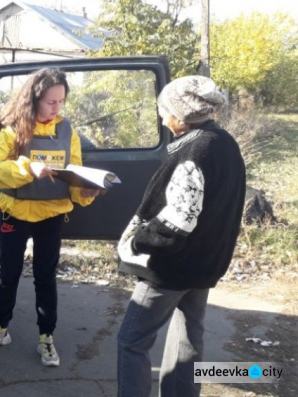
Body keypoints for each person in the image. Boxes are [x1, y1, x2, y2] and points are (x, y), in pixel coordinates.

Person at [116, 76, 246, 397]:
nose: (162, 118)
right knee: (189, 336)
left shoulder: (193, 153)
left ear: (181, 115)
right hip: (205, 263)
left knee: (131, 341)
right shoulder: (224, 142)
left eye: (164, 111)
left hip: (171, 268)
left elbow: (176, 224)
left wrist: (137, 242)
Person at [0, 68, 100, 366]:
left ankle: (47, 338)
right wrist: (25, 168)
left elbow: (76, 173)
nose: (57, 108)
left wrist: (86, 191)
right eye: (50, 102)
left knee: (45, 277)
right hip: (15, 214)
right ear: (34, 100)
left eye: (61, 102)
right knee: (8, 275)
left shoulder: (67, 132)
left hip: (52, 215)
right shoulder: (12, 130)